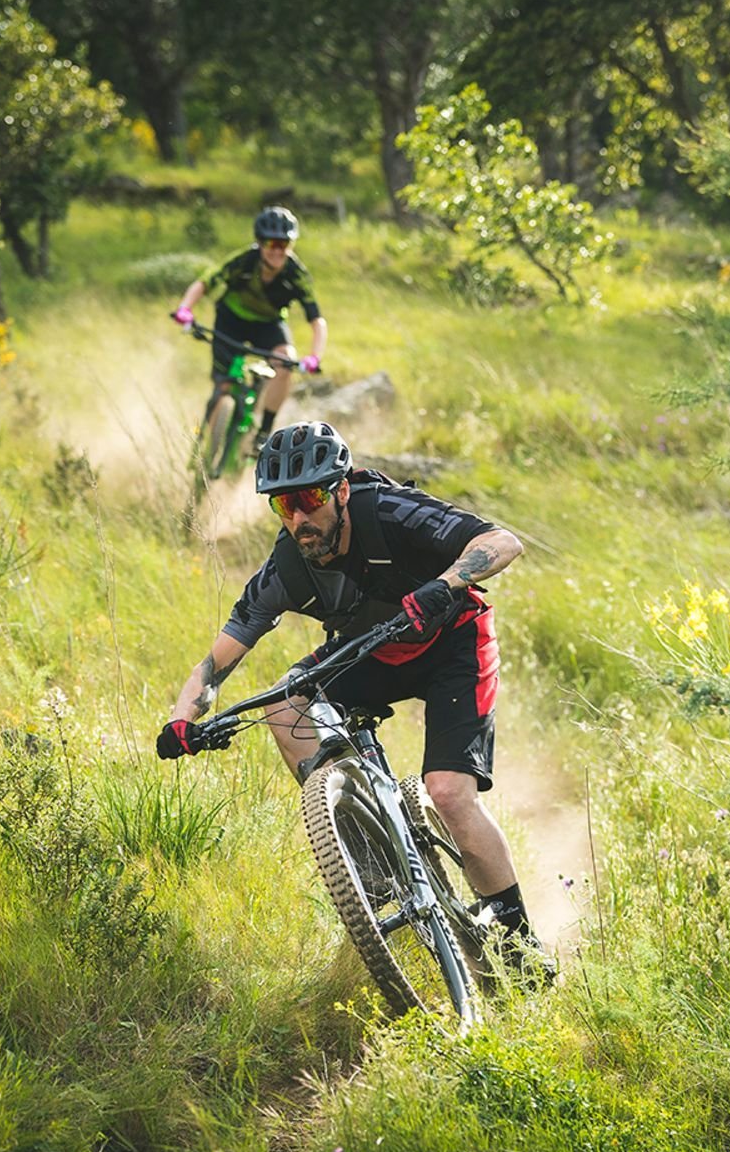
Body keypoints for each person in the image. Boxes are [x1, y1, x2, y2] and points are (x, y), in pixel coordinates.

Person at [153, 421, 551, 970]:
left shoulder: (388, 511)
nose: (299, 518)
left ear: (340, 490)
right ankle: (363, 846)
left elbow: (503, 542)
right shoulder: (285, 570)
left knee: (449, 793)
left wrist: (443, 586)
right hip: (373, 650)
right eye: (283, 505)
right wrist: (182, 720)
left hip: (453, 643)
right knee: (283, 701)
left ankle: (519, 946)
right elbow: (215, 663)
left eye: (309, 499)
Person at [173, 205, 325, 453]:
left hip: (268, 325)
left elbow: (317, 320)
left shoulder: (296, 274)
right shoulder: (244, 260)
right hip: (230, 320)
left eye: (284, 244)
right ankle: (203, 442)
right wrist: (185, 309)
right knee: (223, 386)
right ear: (260, 243)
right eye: (271, 243)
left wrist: (315, 357)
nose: (277, 250)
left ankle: (263, 433)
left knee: (285, 363)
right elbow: (205, 282)